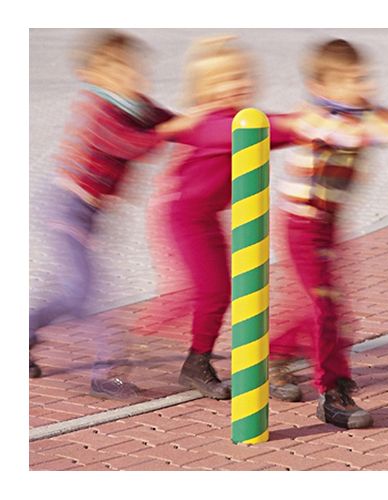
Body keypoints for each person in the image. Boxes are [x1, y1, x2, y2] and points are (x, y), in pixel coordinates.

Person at [29, 30, 200, 399]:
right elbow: (129, 144)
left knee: (72, 291)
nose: (128, 75)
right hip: (66, 208)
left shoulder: (134, 104)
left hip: (88, 213)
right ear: (90, 75)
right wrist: (171, 129)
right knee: (88, 293)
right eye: (115, 69)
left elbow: (169, 122)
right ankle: (107, 373)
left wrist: (204, 126)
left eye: (131, 67)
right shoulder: (97, 109)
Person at [269, 38, 388, 429]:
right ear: (322, 86)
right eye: (349, 80)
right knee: (327, 307)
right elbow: (352, 134)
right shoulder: (317, 117)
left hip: (328, 224)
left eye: (362, 77)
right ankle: (333, 392)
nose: (361, 86)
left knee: (318, 302)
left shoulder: (361, 112)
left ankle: (273, 356)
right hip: (302, 224)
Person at [147, 36, 293, 400]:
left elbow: (271, 131)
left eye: (241, 75)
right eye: (224, 79)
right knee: (211, 291)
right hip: (183, 216)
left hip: (205, 217)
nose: (237, 84)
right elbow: (267, 131)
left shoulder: (240, 118)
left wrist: (310, 124)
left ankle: (189, 356)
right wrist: (307, 124)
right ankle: (165, 352)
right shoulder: (212, 123)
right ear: (205, 88)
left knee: (214, 290)